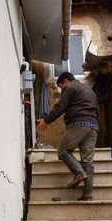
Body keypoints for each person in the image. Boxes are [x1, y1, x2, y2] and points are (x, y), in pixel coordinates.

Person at [36, 72, 99, 201]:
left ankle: (78, 172)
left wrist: (46, 121)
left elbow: (60, 107)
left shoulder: (70, 88)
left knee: (63, 151)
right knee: (87, 161)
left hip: (79, 123)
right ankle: (87, 194)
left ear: (65, 81)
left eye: (60, 87)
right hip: (93, 126)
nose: (61, 90)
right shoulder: (90, 91)